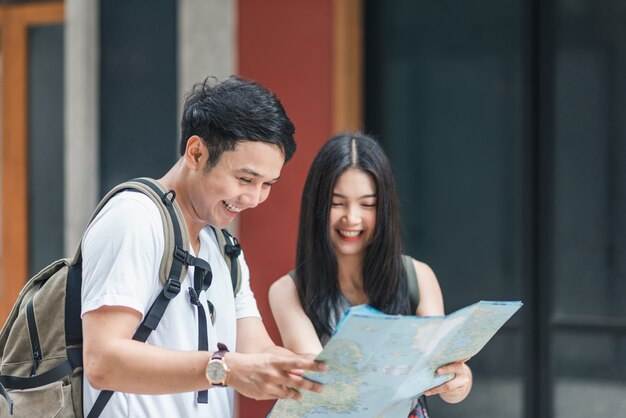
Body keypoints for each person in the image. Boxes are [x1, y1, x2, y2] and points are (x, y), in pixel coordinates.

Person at [81, 76, 325, 418]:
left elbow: (256, 352)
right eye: (245, 179)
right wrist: (224, 369)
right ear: (196, 152)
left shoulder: (223, 247)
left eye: (267, 184)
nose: (254, 199)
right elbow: (102, 361)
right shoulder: (135, 219)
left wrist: (333, 378)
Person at [269, 132, 472, 417]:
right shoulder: (288, 291)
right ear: (317, 206)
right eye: (337, 202)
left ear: (385, 208)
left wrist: (459, 382)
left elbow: (440, 369)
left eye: (367, 204)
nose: (351, 218)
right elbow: (321, 386)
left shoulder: (418, 277)